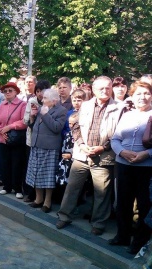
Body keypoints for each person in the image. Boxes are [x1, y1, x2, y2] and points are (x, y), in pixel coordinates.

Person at [56, 76, 124, 235]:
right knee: (72, 187)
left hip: (104, 155)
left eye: (108, 87)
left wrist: (103, 147)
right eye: (101, 88)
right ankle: (64, 216)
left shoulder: (119, 108)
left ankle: (99, 224)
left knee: (102, 192)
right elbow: (75, 126)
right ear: (93, 90)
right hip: (82, 154)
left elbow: (119, 132)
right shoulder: (85, 105)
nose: (105, 91)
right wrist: (81, 144)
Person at [109, 81, 152, 254]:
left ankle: (139, 242)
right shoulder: (127, 115)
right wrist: (122, 152)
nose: (142, 97)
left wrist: (147, 154)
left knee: (144, 205)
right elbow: (115, 139)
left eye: (147, 93)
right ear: (132, 97)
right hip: (124, 164)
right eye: (138, 94)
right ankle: (123, 236)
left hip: (146, 167)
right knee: (123, 202)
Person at [26, 89, 67, 212]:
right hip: (36, 144)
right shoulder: (41, 108)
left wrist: (45, 114)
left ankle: (47, 202)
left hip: (49, 147)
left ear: (54, 100)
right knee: (36, 173)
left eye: (45, 98)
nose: (42, 100)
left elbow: (56, 128)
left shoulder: (61, 110)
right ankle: (38, 199)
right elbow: (32, 126)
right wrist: (32, 117)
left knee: (47, 175)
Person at [0, 82, 27, 198]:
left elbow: (24, 121)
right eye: (5, 91)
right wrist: (0, 130)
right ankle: (6, 186)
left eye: (10, 90)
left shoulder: (22, 104)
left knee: (17, 164)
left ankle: (17, 189)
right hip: (3, 139)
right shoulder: (2, 105)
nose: (7, 93)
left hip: (16, 140)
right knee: (4, 163)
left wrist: (10, 127)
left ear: (16, 92)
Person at [23, 80, 51, 200]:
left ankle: (44, 197)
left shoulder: (51, 102)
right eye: (38, 91)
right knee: (31, 168)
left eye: (42, 90)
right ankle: (31, 193)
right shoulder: (32, 102)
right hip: (32, 139)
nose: (40, 94)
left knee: (43, 169)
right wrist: (32, 116)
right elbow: (26, 121)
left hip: (46, 141)